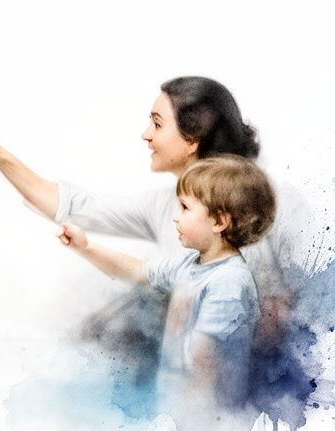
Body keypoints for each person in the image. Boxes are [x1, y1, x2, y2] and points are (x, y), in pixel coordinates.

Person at [0, 76, 313, 415]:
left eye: (157, 123)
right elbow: (90, 222)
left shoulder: (253, 231)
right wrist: (0, 158)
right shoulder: (172, 222)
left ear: (192, 139)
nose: (145, 135)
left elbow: (261, 335)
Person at [57, 155, 276, 409]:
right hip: (177, 410)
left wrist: (188, 420)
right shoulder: (189, 263)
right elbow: (136, 270)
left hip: (207, 417)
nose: (175, 217)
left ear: (218, 221)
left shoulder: (229, 282)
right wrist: (85, 247)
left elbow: (206, 361)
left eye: (185, 208)